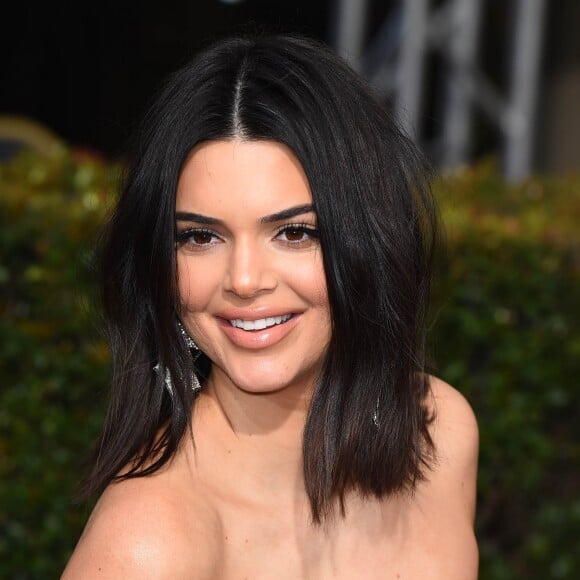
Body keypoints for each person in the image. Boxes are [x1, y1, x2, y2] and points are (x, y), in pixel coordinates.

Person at [63, 34, 478, 579]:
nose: (244, 280)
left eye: (293, 232)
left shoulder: (441, 433)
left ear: (368, 242)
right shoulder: (146, 543)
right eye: (200, 238)